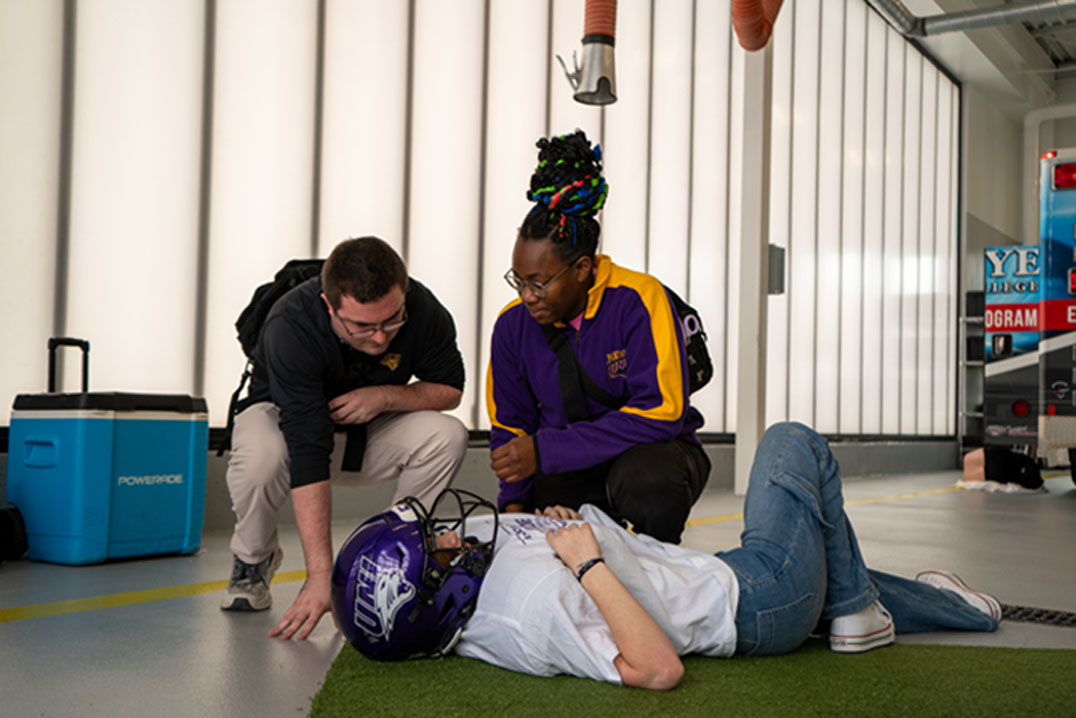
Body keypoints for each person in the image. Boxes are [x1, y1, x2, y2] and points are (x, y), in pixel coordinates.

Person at [332, 422, 1000, 690]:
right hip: (758, 603)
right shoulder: (529, 616)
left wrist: (555, 522)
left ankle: (959, 609)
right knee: (791, 444)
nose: (447, 534)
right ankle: (853, 610)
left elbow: (514, 543)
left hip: (721, 579)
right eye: (435, 549)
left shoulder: (468, 573)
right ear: (430, 600)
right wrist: (588, 563)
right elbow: (655, 669)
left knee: (828, 568)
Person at [222, 236, 468, 642]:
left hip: (365, 427)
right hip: (287, 431)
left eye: (391, 320)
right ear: (328, 304)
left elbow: (450, 389)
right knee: (263, 454)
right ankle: (253, 558)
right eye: (361, 326)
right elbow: (307, 446)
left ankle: (393, 559)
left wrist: (386, 395)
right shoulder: (291, 325)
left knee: (448, 435)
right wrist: (321, 578)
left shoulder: (423, 308)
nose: (379, 338)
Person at [487, 130, 709, 544]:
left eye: (538, 283)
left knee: (648, 479)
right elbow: (510, 427)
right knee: (545, 513)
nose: (526, 296)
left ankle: (660, 565)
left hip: (650, 456)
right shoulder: (512, 325)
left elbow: (662, 412)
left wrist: (548, 450)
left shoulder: (639, 299)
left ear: (582, 268)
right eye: (518, 280)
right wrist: (514, 517)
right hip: (569, 463)